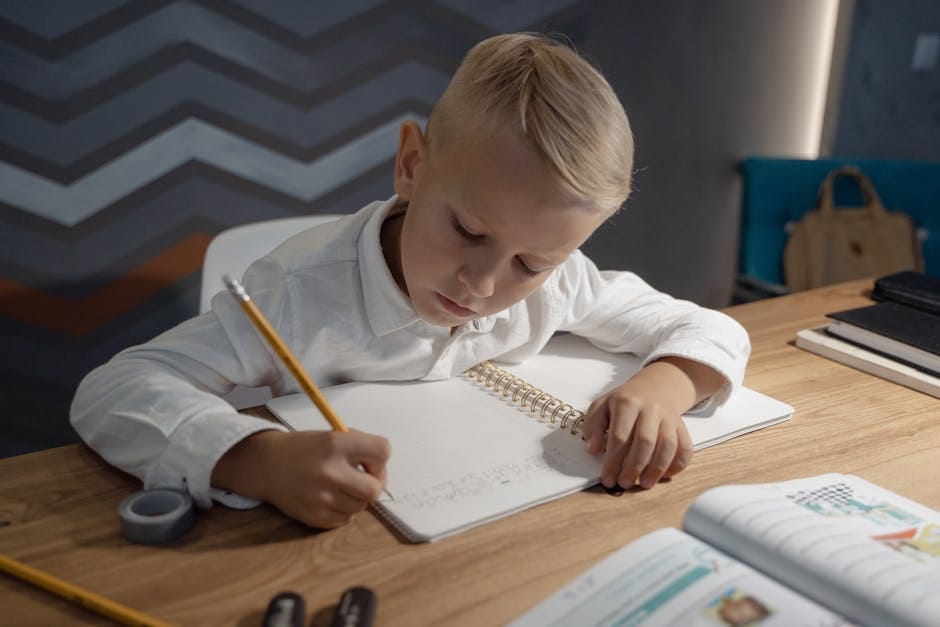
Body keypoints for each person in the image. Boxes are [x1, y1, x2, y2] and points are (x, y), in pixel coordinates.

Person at [71, 33, 750, 530]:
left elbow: (711, 325)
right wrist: (259, 460)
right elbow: (114, 389)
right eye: (469, 231)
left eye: (528, 263)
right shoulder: (297, 294)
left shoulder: (560, 283)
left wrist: (660, 386)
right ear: (411, 163)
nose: (483, 283)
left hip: (494, 527)